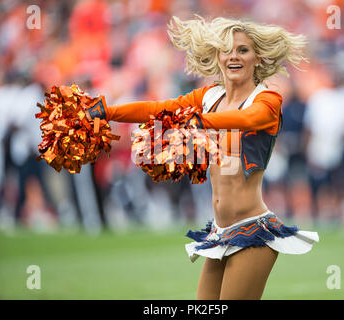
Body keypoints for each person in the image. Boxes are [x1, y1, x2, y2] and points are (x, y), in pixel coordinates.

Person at [86, 15, 319, 300]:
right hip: (220, 232)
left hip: (253, 232)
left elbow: (248, 118)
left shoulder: (267, 99)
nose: (234, 56)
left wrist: (202, 122)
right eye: (226, 50)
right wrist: (107, 112)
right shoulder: (209, 97)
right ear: (217, 56)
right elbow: (160, 108)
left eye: (243, 50)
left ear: (257, 58)